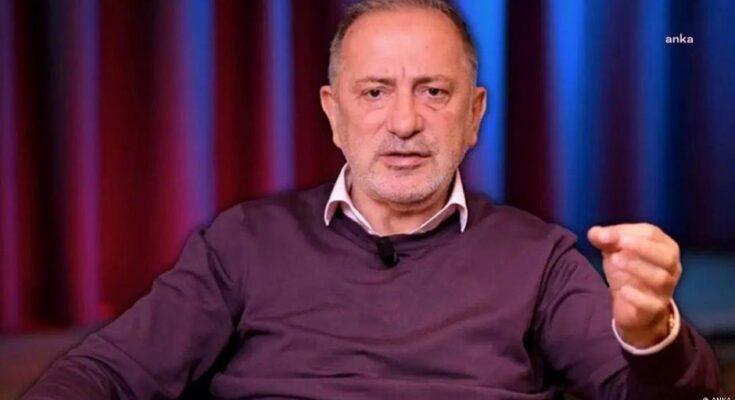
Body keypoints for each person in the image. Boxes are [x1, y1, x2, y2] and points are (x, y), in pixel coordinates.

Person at [25, 0, 722, 399]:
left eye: (434, 91)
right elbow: (108, 372)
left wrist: (650, 335)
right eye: (374, 92)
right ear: (333, 113)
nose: (404, 122)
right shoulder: (242, 242)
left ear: (474, 114)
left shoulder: (539, 258)